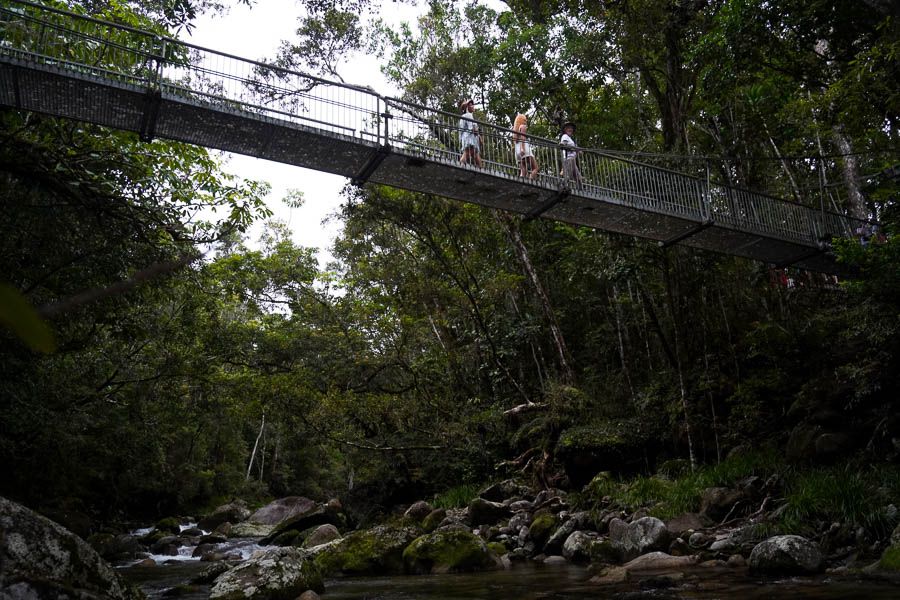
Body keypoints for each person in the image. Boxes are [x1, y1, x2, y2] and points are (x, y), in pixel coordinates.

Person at [513, 113, 539, 179]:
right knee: (535, 168)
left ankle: (521, 182)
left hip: (517, 153)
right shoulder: (523, 127)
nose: (526, 121)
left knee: (523, 170)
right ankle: (530, 180)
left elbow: (515, 142)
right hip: (525, 150)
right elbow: (523, 138)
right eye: (525, 120)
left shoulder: (515, 131)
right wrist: (522, 149)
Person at [458, 98, 483, 168]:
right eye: (471, 105)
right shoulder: (468, 115)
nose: (473, 106)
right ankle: (461, 165)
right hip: (470, 138)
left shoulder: (463, 117)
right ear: (467, 108)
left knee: (475, 154)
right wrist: (480, 137)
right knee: (467, 153)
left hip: (466, 138)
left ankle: (480, 168)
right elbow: (472, 128)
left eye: (472, 105)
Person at [559, 121, 582, 186]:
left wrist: (578, 150)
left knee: (578, 177)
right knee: (568, 175)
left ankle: (581, 190)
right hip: (568, 159)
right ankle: (563, 185)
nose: (570, 129)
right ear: (565, 130)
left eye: (571, 128)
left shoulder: (570, 139)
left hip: (572, 159)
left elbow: (574, 148)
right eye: (568, 128)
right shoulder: (565, 136)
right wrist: (563, 144)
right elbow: (563, 144)